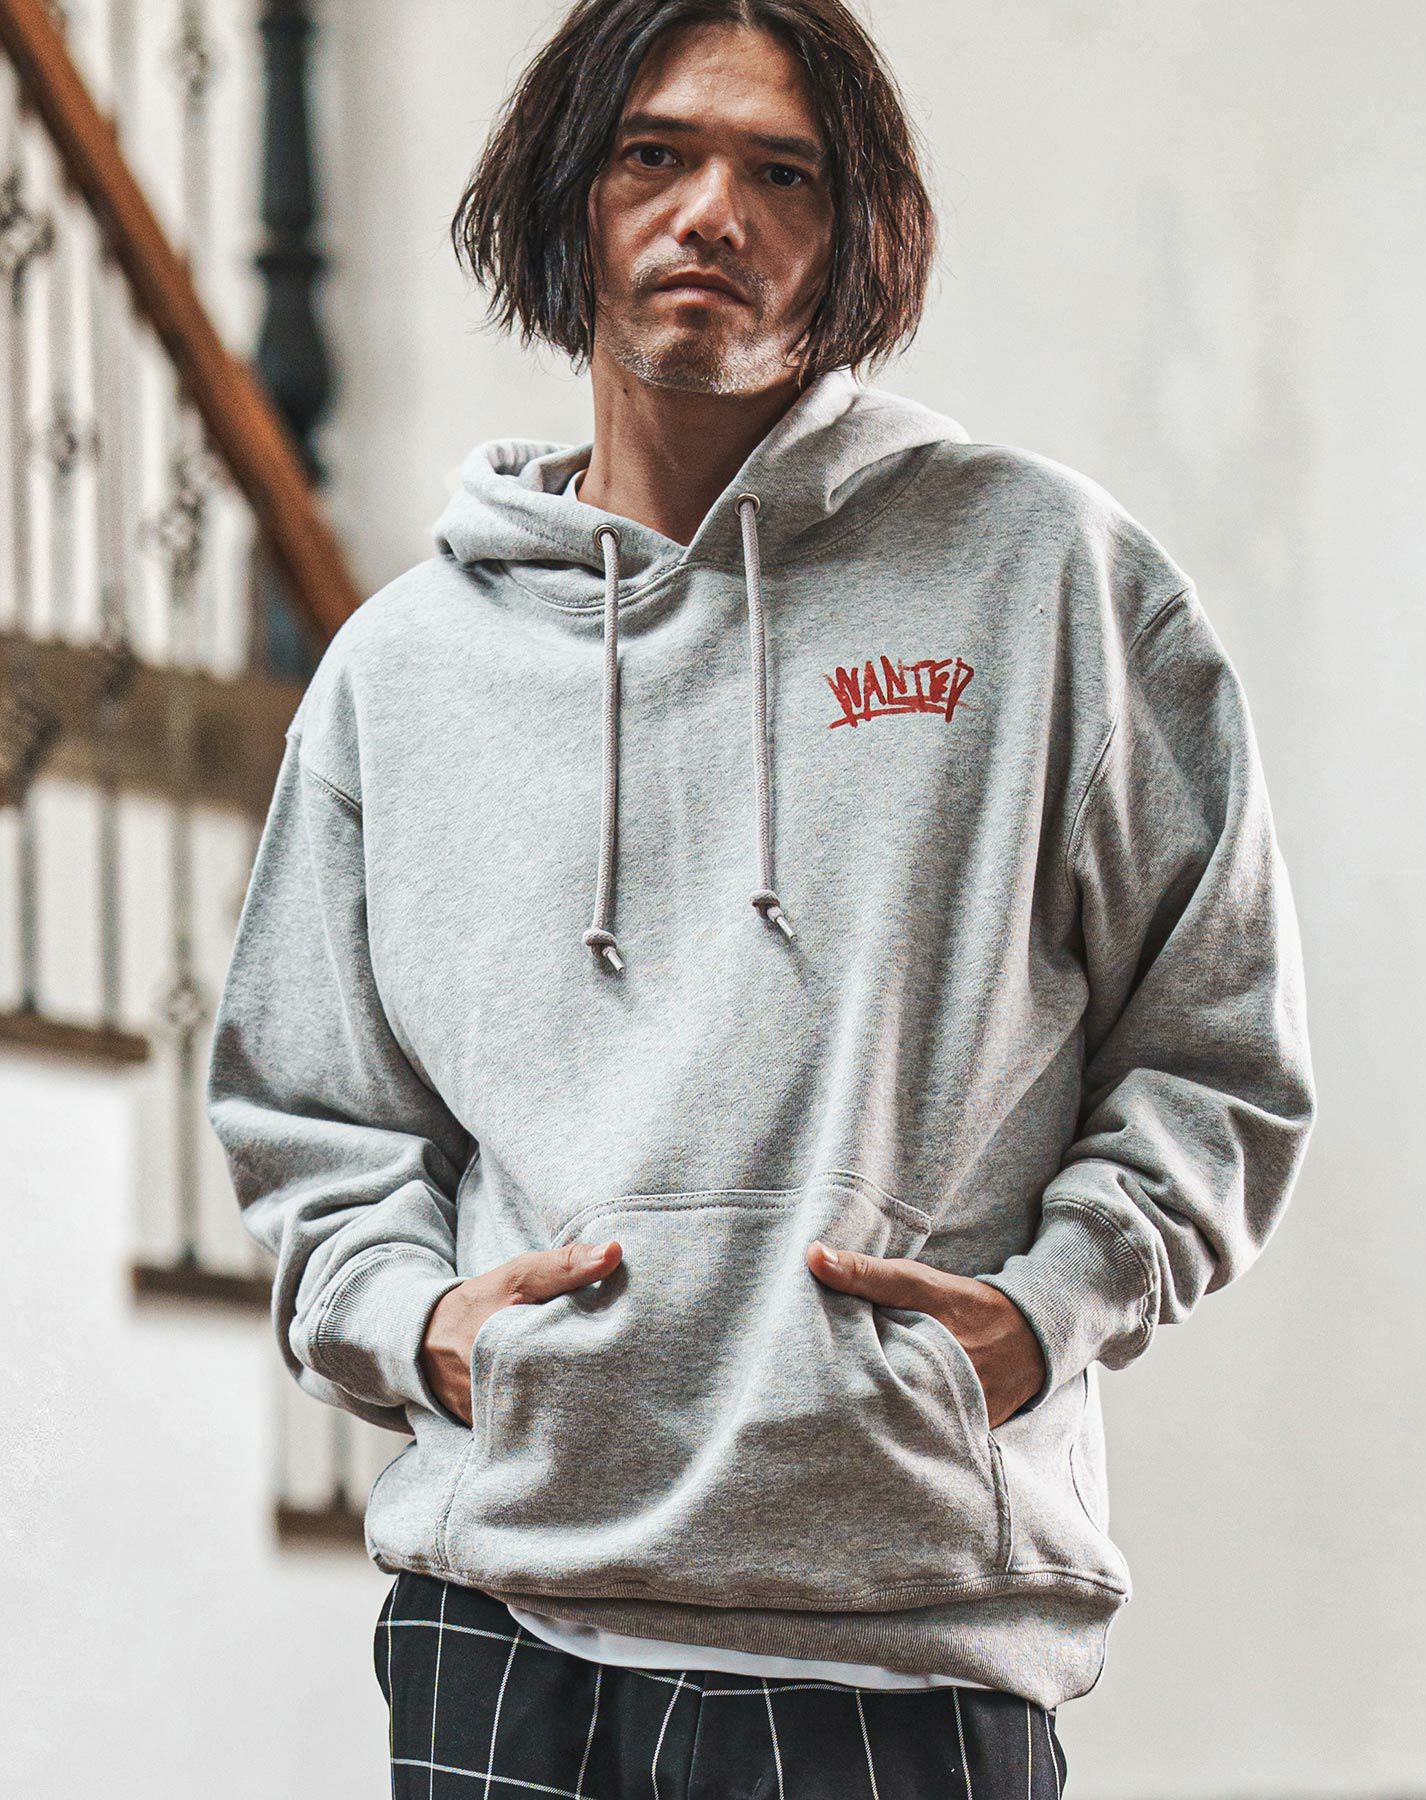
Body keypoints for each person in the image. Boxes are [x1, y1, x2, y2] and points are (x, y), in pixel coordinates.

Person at [205, 0, 1317, 1793]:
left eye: (781, 172)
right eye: (654, 153)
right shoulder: (400, 674)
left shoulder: (1043, 579)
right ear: (565, 198)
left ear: (853, 231)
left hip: (905, 1642)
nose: (712, 211)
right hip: (499, 1632)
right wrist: (420, 1328)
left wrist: (1043, 1319)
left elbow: (1218, 1051)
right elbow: (310, 1116)